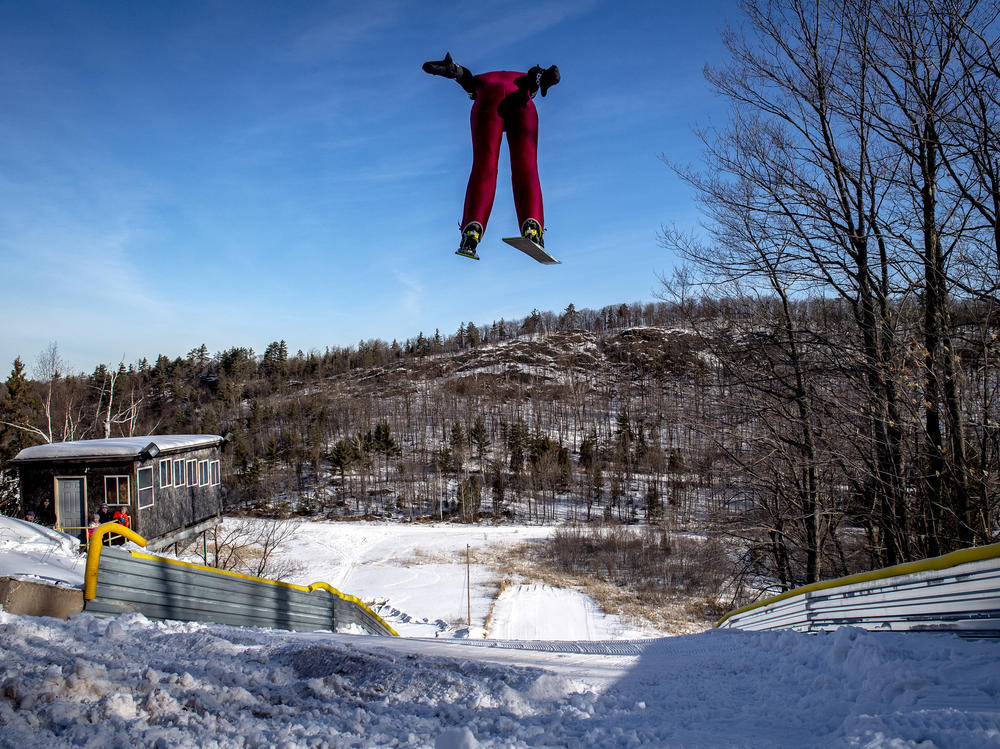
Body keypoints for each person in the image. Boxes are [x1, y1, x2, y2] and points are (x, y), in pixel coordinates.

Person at [422, 53, 560, 260]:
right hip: (521, 97)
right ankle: (532, 227)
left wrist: (450, 69)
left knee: (484, 166)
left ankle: (472, 233)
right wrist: (544, 77)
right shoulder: (523, 79)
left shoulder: (478, 82)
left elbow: (462, 76)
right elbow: (534, 75)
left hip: (487, 100)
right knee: (526, 166)